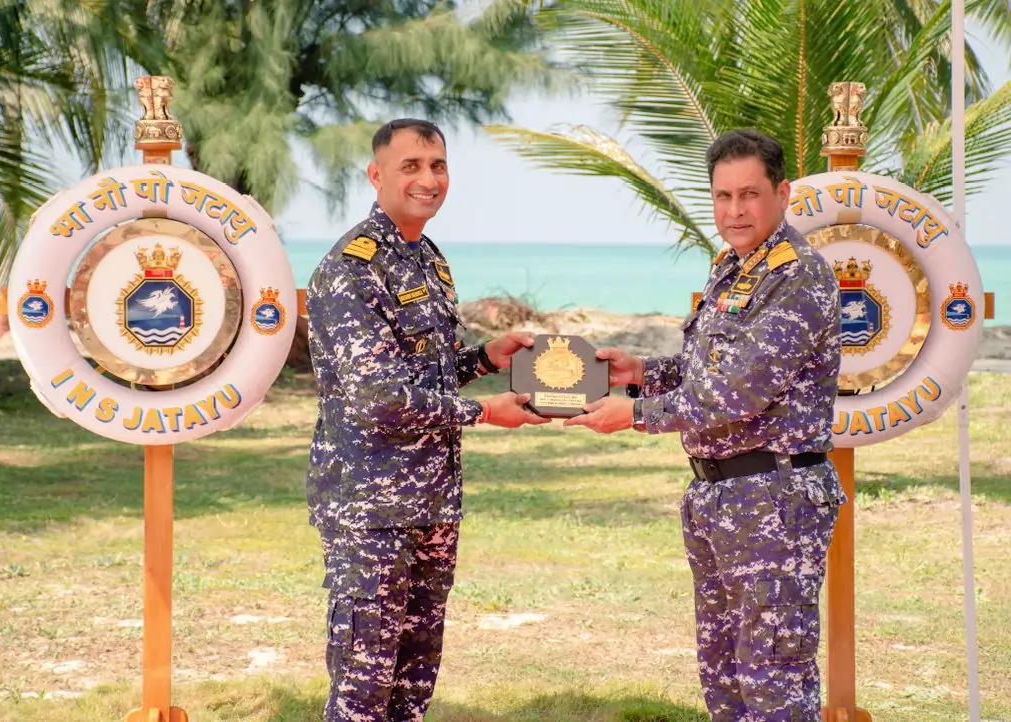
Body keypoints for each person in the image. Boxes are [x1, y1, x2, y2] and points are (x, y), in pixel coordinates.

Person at [565, 128, 845, 721]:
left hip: (775, 499)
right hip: (719, 495)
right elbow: (706, 368)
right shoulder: (732, 267)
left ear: (783, 193)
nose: (735, 211)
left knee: (774, 679)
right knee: (724, 677)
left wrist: (636, 415)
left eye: (749, 195)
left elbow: (739, 392)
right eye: (723, 197)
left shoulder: (798, 278)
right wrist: (641, 371)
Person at [305, 118, 549, 721]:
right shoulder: (353, 268)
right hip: (371, 507)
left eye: (437, 166)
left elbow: (423, 374)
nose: (428, 179)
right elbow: (377, 397)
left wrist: (485, 359)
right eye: (411, 166)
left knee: (413, 684)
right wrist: (485, 411)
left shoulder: (426, 259)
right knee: (365, 685)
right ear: (377, 174)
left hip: (432, 503)